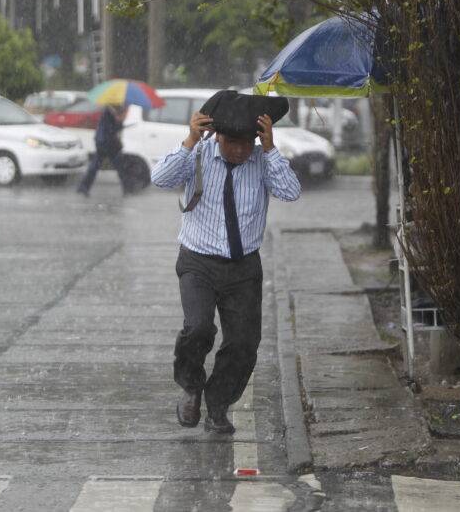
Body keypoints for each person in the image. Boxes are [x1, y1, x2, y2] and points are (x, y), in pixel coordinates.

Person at [151, 94, 301, 434]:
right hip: (198, 261)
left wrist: (270, 148)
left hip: (244, 267)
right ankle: (191, 387)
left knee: (244, 344)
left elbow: (291, 192)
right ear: (216, 135)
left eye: (246, 142)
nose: (239, 150)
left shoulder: (262, 160)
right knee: (198, 328)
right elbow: (159, 178)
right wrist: (189, 140)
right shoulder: (199, 154)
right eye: (232, 142)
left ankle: (217, 405)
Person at [76, 104, 130, 196]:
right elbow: (111, 128)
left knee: (95, 167)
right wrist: (120, 123)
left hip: (103, 143)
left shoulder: (108, 112)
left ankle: (83, 187)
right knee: (119, 167)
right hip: (106, 144)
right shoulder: (108, 113)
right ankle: (128, 188)